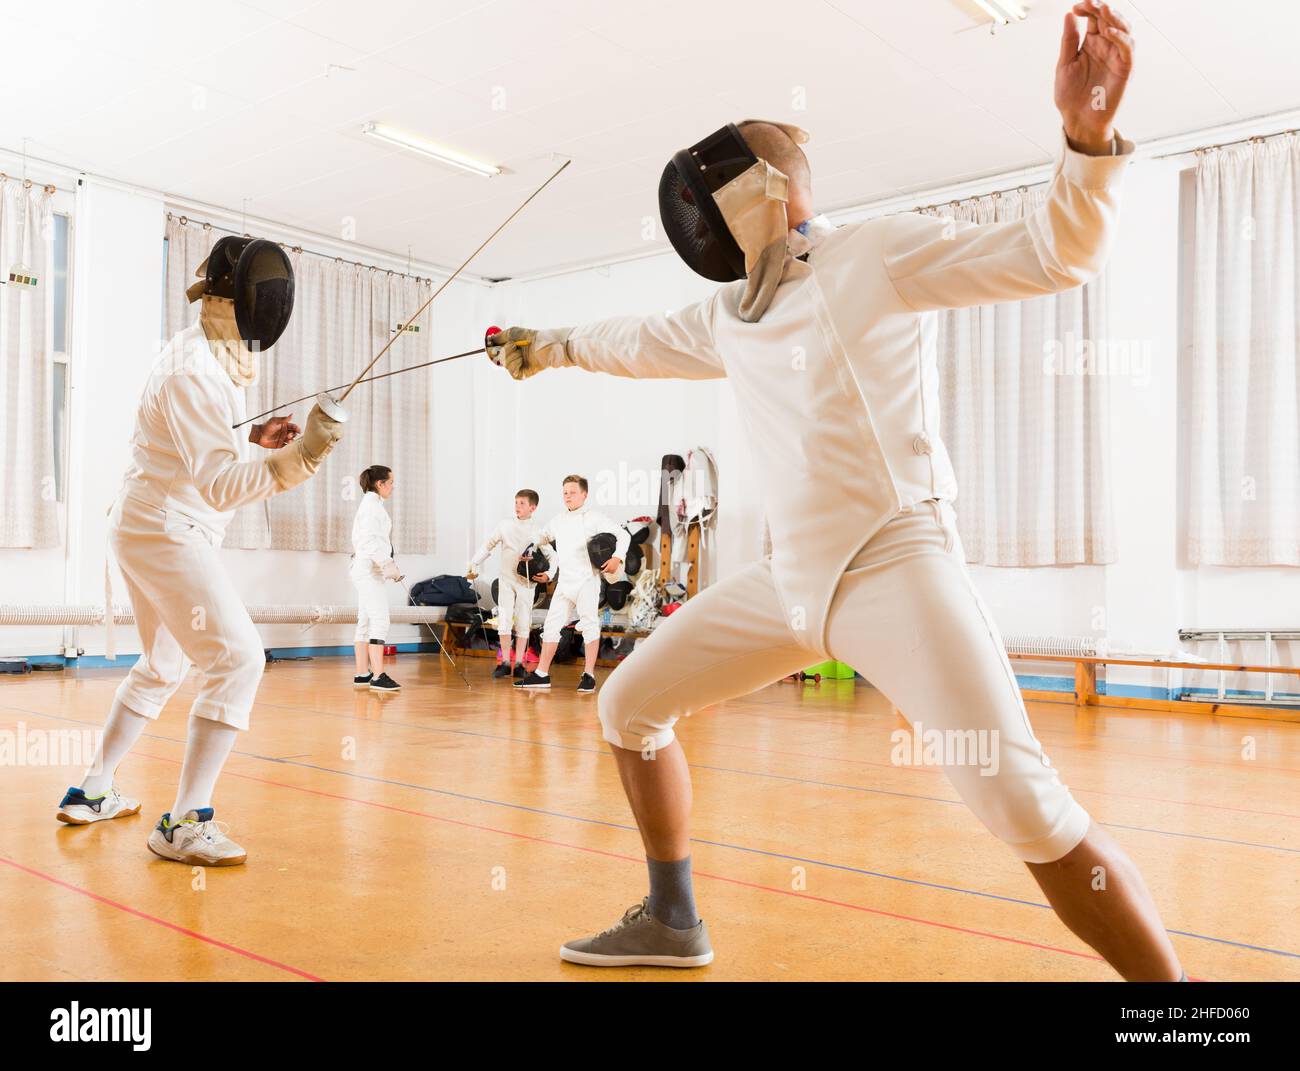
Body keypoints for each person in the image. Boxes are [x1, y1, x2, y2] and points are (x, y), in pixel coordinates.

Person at [488, 4, 1186, 980]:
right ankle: (672, 918)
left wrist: (1085, 136)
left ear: (766, 194)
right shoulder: (732, 314)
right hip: (788, 585)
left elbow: (1056, 252)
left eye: (708, 199)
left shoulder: (877, 256)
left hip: (894, 566)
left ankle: (1180, 1008)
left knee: (1021, 808)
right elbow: (634, 342)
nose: (694, 224)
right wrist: (545, 346)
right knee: (630, 704)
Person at [56, 236, 344, 867]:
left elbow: (204, 448)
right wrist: (300, 458)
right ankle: (185, 822)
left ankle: (93, 790)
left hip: (146, 521)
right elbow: (217, 486)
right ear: (231, 299)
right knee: (239, 659)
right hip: (166, 529)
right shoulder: (196, 371)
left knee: (163, 665)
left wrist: (253, 438)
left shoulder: (205, 349)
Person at [514, 476, 629, 694]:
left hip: (587, 580)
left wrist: (617, 558)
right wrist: (530, 546)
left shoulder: (594, 518)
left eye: (573, 492)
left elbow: (622, 535)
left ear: (584, 495)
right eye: (565, 492)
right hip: (565, 582)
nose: (568, 496)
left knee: (589, 624)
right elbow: (543, 534)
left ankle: (588, 675)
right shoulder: (558, 520)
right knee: (550, 626)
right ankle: (541, 674)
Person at [467, 488, 556, 679]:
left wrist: (548, 575)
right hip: (506, 580)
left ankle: (520, 664)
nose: (517, 507)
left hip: (526, 583)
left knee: (524, 622)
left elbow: (553, 556)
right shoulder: (505, 526)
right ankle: (505, 662)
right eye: (516, 503)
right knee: (505, 620)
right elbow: (488, 545)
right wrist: (474, 563)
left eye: (522, 503)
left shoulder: (538, 531)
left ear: (533, 507)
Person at [351, 465, 404, 692]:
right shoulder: (372, 508)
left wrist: (386, 563)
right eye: (390, 482)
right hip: (368, 570)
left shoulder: (371, 505)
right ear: (379, 484)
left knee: (365, 621)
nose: (393, 487)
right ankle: (379, 676)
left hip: (366, 569)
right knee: (380, 620)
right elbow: (370, 542)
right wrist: (387, 564)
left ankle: (363, 673)